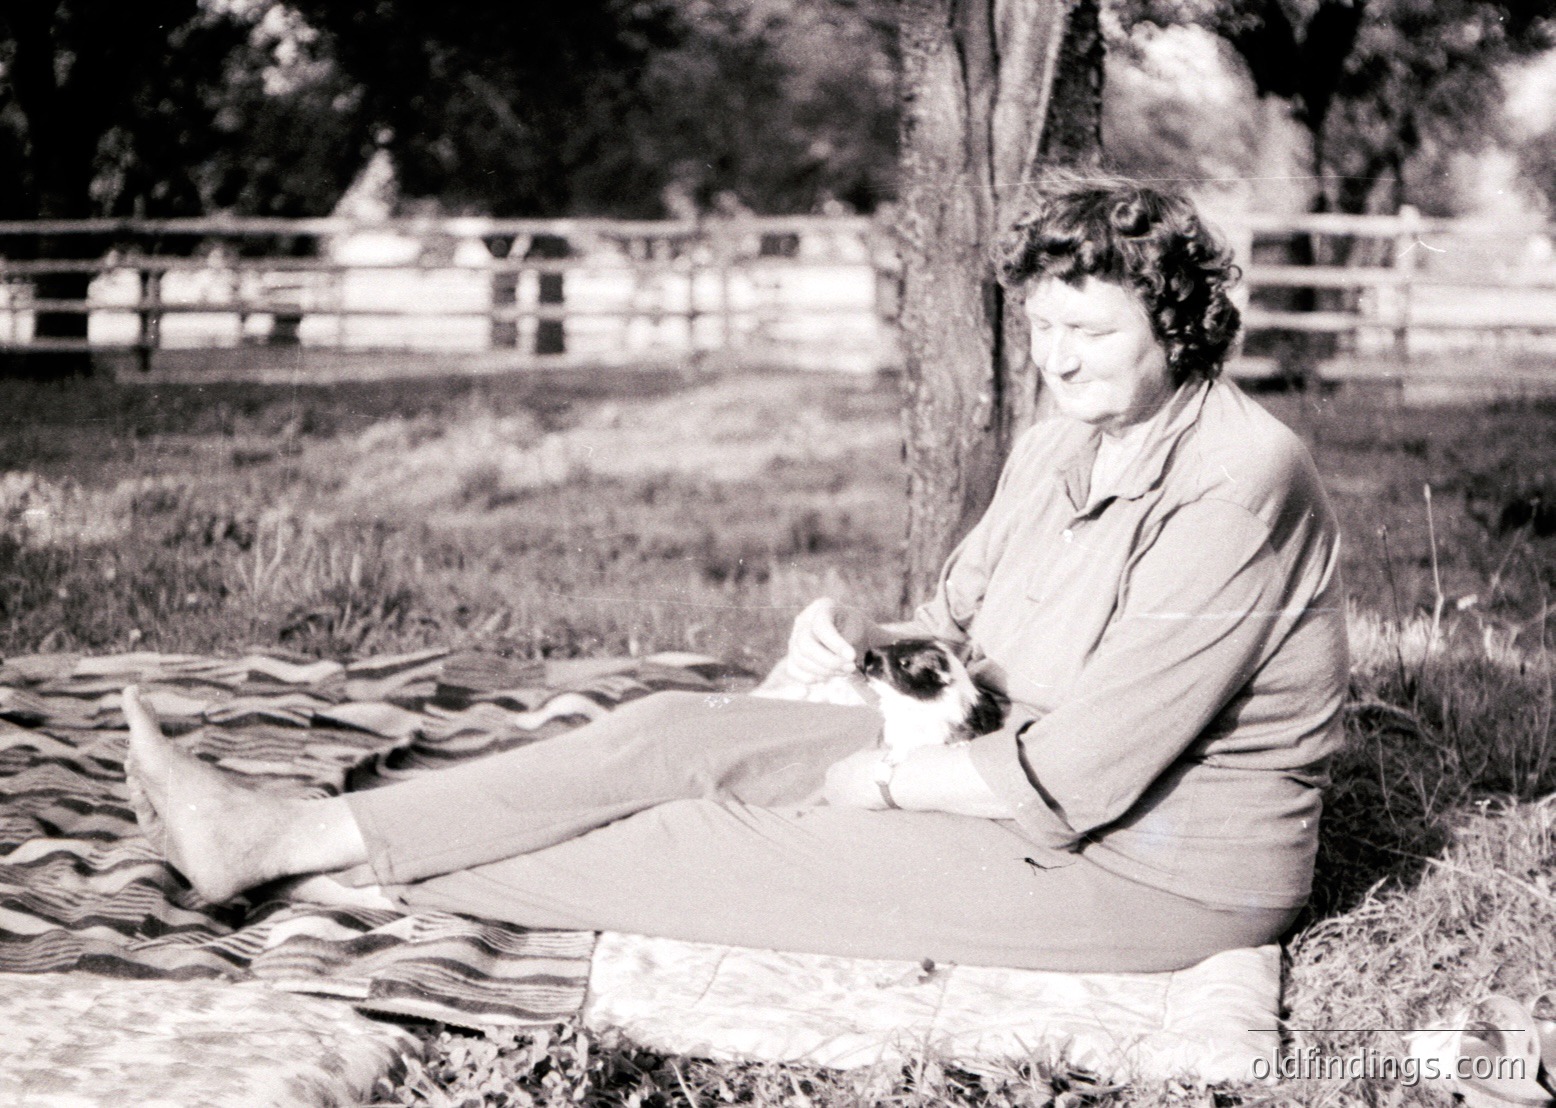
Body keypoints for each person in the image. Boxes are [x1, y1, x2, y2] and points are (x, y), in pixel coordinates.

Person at [122, 174, 1349, 974]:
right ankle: (280, 831)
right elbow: (960, 630)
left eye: (1092, 332)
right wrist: (862, 646)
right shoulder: (1054, 440)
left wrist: (877, 781)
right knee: (662, 730)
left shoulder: (1241, 478)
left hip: (1143, 867)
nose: (1058, 358)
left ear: (1176, 324)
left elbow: (1083, 773)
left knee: (677, 835)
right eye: (1039, 330)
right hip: (981, 770)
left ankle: (296, 859)